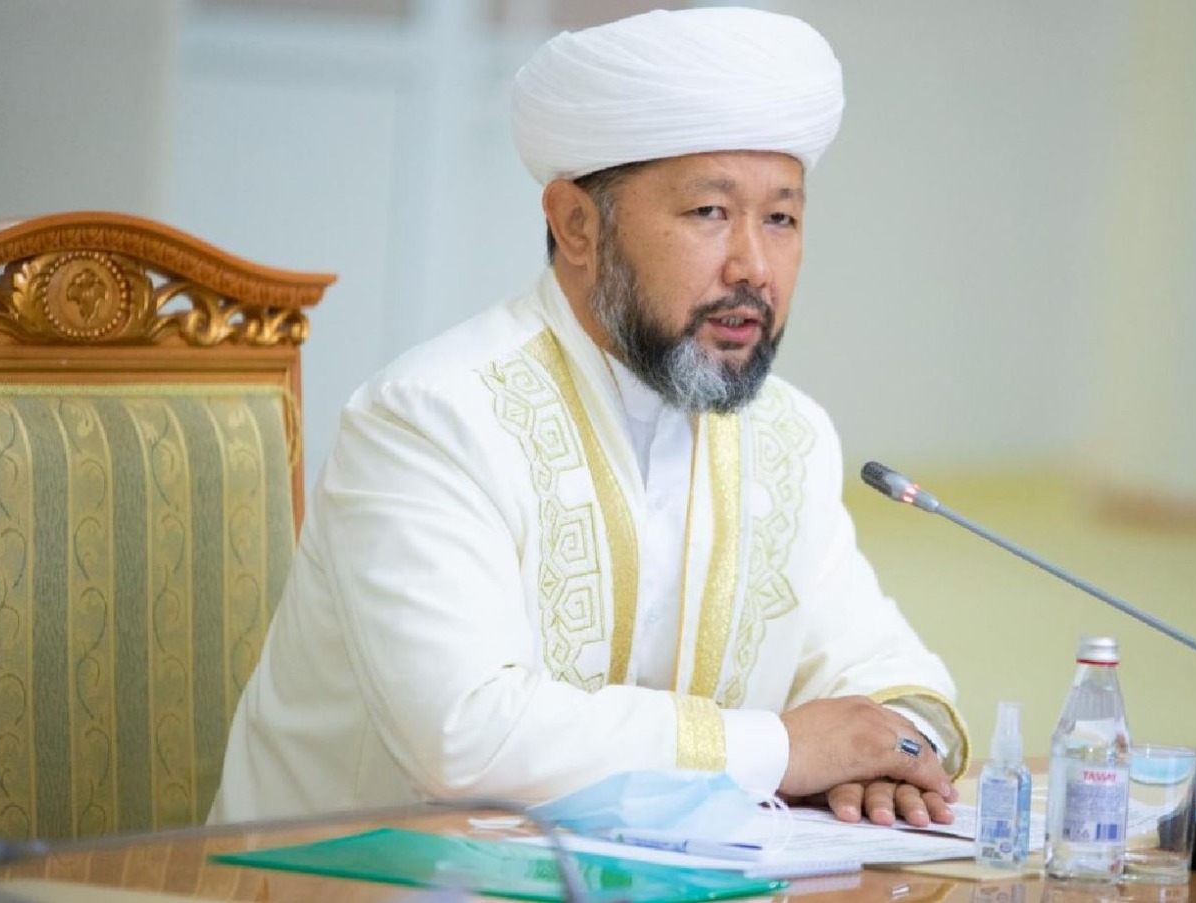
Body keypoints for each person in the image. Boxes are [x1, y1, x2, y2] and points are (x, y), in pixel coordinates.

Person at [211, 6, 969, 830]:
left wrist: (895, 756)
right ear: (576, 224)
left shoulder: (788, 436)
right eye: (710, 212)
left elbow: (885, 672)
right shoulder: (432, 419)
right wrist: (785, 748)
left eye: (781, 217)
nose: (754, 266)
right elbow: (465, 734)